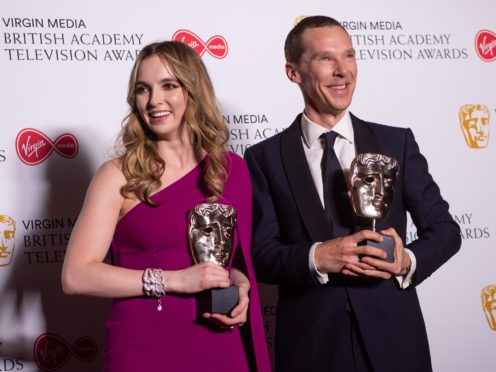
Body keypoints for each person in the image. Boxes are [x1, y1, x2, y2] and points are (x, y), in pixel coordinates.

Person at [244, 16, 461, 372]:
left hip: (395, 339)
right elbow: (262, 255)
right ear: (294, 72)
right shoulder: (264, 158)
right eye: (326, 58)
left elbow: (445, 231)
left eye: (349, 56)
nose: (343, 70)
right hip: (310, 343)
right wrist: (317, 257)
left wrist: (407, 261)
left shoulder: (397, 142)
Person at [62, 41, 270, 372]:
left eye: (168, 86)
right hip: (144, 347)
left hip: (220, 342)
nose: (154, 100)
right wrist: (172, 281)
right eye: (143, 89)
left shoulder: (233, 170)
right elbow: (76, 275)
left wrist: (241, 286)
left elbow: (234, 261)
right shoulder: (118, 175)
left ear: (193, 90)